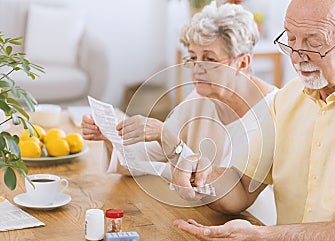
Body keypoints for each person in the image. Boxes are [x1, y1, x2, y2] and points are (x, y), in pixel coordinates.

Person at [172, 0, 335, 241]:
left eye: (314, 43)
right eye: (291, 39)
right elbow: (243, 186)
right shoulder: (287, 99)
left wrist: (260, 236)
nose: (297, 56)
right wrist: (201, 176)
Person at [81, 2, 277, 209]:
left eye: (209, 59)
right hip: (200, 214)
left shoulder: (272, 110)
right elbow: (154, 156)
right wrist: (113, 134)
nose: (197, 69)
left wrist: (167, 137)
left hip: (250, 223)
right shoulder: (201, 97)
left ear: (242, 63)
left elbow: (229, 198)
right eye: (193, 57)